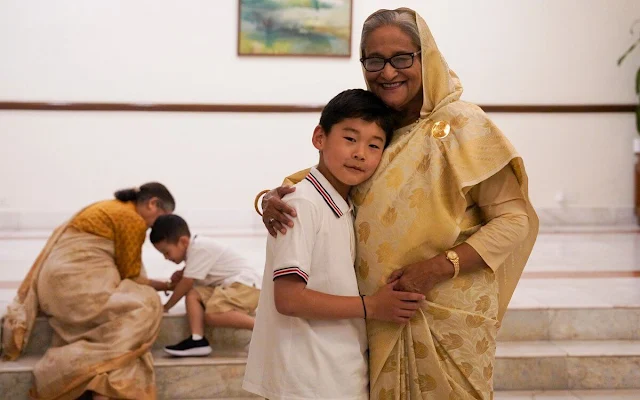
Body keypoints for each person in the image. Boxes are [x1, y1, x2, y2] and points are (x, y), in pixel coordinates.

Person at [258, 8, 539, 400]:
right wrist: (270, 198)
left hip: (440, 313)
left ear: (427, 58)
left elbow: (513, 220)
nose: (387, 72)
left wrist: (436, 269)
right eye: (375, 60)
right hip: (380, 316)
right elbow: (325, 178)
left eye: (402, 58)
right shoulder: (381, 130)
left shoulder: (461, 124)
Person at [243, 88, 427, 400]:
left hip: (331, 370)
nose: (360, 153)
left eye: (374, 145)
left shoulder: (344, 204)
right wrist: (373, 306)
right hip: (306, 378)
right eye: (350, 138)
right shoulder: (300, 204)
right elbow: (288, 298)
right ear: (319, 138)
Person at [2, 182, 176, 400]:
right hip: (78, 287)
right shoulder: (131, 219)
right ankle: (74, 369)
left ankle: (96, 380)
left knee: (134, 307)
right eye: (161, 217)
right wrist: (165, 286)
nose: (155, 227)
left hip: (55, 288)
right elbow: (130, 274)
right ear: (153, 204)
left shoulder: (109, 206)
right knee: (146, 305)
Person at [149, 214, 261, 357]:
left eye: (167, 252)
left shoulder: (200, 248)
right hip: (232, 286)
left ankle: (262, 329)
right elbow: (187, 282)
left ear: (183, 242)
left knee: (213, 314)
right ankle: (197, 340)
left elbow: (186, 283)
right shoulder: (195, 251)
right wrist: (180, 277)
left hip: (245, 286)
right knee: (193, 294)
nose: (166, 257)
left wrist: (166, 307)